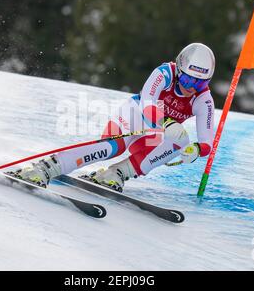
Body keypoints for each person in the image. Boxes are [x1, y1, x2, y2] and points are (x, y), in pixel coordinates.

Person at [18, 42, 215, 192]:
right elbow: (147, 104)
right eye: (188, 79)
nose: (192, 86)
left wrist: (196, 150)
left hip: (155, 132)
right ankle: (47, 167)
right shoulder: (164, 73)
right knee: (111, 148)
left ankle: (118, 173)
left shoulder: (203, 100)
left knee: (181, 141)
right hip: (135, 114)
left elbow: (207, 142)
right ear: (180, 70)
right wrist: (168, 122)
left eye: (200, 83)